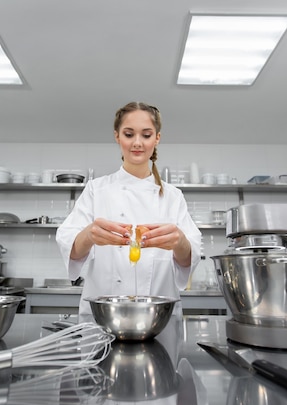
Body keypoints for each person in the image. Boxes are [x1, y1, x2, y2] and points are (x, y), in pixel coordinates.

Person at [56, 101, 202, 314]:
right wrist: (89, 235)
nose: (137, 143)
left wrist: (179, 242)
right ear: (117, 136)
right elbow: (71, 249)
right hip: (103, 316)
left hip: (158, 317)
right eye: (128, 134)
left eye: (146, 134)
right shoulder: (97, 189)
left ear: (157, 138)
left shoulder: (173, 196)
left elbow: (189, 259)